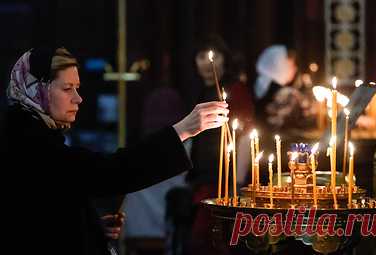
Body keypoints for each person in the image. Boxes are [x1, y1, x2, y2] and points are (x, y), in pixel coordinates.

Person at [4, 47, 229, 255]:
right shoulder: (26, 143)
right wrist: (183, 129)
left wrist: (90, 226)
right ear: (37, 89)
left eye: (78, 88)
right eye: (67, 88)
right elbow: (109, 172)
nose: (78, 98)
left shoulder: (33, 133)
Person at [179, 35, 254, 255]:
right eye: (200, 56)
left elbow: (245, 136)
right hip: (202, 177)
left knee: (212, 239)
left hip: (224, 179)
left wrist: (237, 183)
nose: (206, 62)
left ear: (224, 59)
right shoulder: (201, 91)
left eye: (212, 56)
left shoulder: (235, 90)